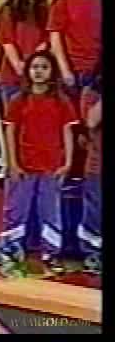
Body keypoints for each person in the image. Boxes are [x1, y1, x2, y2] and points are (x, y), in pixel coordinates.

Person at [0, 51, 78, 278]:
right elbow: (10, 132)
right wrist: (13, 163)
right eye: (35, 67)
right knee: (16, 210)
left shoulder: (61, 101)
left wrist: (68, 163)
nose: (39, 71)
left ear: (52, 71)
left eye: (44, 67)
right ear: (28, 71)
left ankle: (51, 254)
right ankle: (9, 252)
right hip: (23, 166)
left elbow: (67, 132)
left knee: (50, 212)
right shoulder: (18, 100)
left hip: (52, 167)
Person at [0, 0, 50, 105]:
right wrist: (19, 67)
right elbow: (7, 42)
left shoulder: (43, 12)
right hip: (13, 76)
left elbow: (46, 41)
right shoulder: (9, 10)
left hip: (37, 76)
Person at [48, 0, 101, 98]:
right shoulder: (62, 2)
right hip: (74, 69)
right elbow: (55, 39)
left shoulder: (98, 0)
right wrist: (65, 70)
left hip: (98, 69)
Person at [78, 61, 101, 275]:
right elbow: (91, 121)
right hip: (97, 165)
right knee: (95, 212)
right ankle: (92, 256)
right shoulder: (91, 92)